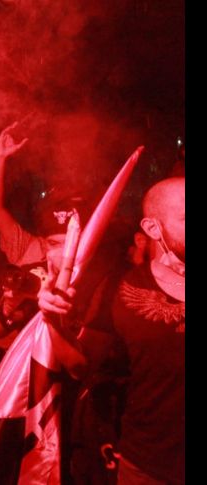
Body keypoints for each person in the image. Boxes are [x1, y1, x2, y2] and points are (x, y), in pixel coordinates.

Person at [39, 176, 184, 485]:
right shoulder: (119, 290)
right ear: (153, 228)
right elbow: (80, 366)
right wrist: (51, 320)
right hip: (150, 468)